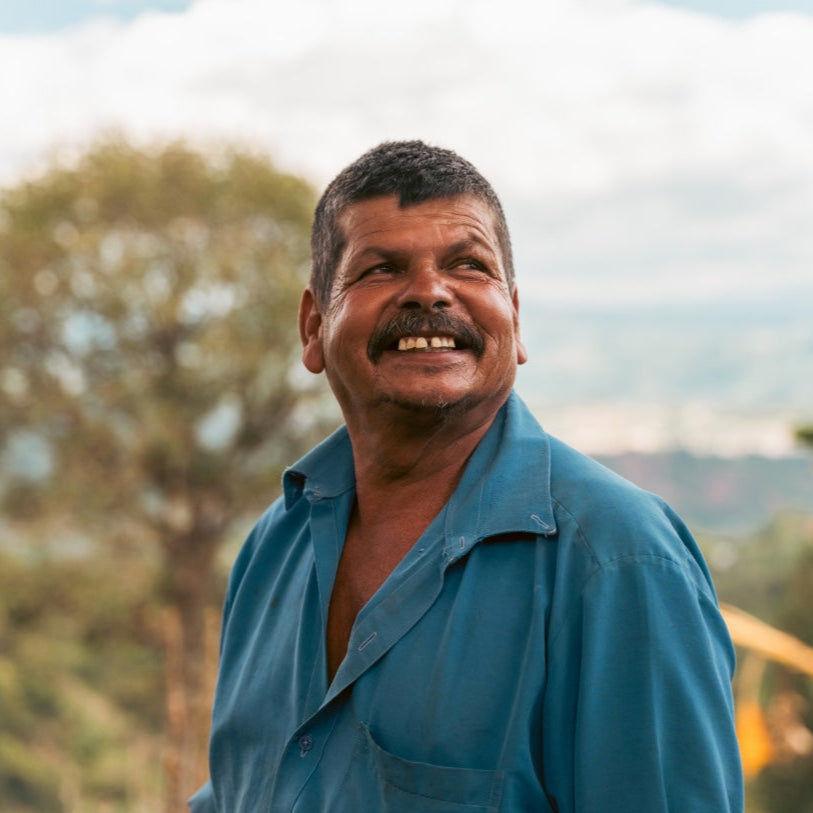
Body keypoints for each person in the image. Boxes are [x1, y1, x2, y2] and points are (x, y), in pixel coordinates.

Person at [190, 141, 743, 812]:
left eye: (467, 264)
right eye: (381, 267)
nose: (428, 290)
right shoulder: (273, 546)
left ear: (514, 316)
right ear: (313, 327)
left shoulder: (616, 558)